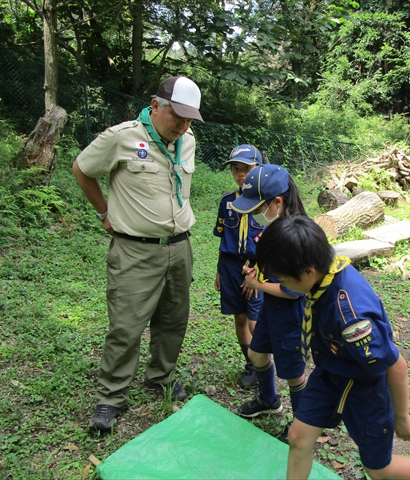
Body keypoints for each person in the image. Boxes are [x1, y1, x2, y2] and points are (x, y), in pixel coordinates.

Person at [254, 215, 410, 480]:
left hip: (365, 387)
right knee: (298, 438)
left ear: (308, 271)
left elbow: (395, 364)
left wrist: (402, 416)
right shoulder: (327, 271)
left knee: (378, 469)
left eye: (283, 279)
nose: (281, 284)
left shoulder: (351, 318)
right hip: (330, 373)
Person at [73, 75, 203, 432]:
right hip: (135, 250)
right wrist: (104, 213)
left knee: (173, 320)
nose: (183, 125)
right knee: (126, 326)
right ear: (156, 105)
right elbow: (82, 170)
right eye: (178, 115)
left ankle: (160, 377)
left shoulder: (187, 140)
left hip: (179, 247)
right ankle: (111, 397)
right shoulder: (122, 137)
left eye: (190, 118)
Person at [230, 165, 309, 441]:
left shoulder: (296, 236)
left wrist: (257, 285)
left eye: (258, 207)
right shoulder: (275, 227)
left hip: (290, 314)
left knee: (294, 373)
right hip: (270, 309)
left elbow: (294, 291)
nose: (255, 214)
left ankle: (300, 425)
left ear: (277, 202)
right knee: (257, 354)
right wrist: (256, 272)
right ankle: (268, 399)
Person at [213, 144, 265, 388]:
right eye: (236, 169)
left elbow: (272, 245)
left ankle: (264, 365)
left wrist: (258, 272)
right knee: (240, 318)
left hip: (255, 268)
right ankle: (251, 364)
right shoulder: (227, 202)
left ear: (259, 169)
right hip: (230, 266)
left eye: (247, 168)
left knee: (255, 320)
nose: (241, 174)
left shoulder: (266, 204)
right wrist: (219, 270)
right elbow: (224, 238)